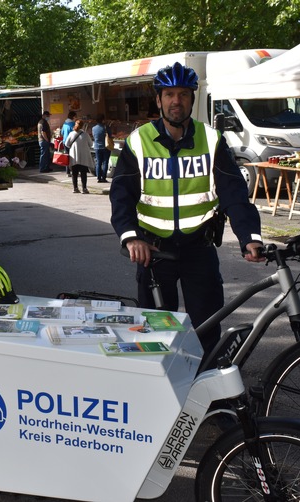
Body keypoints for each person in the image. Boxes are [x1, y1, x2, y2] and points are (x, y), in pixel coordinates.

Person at [109, 62, 265, 359]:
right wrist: (131, 238)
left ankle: (206, 389)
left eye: (183, 94)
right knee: (155, 331)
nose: (176, 101)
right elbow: (121, 196)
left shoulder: (211, 140)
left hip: (199, 248)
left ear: (193, 100)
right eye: (169, 94)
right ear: (158, 100)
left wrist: (250, 237)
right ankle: (160, 390)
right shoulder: (138, 142)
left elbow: (234, 193)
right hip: (153, 251)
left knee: (207, 327)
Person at [65, 119, 94, 194]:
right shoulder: (85, 134)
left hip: (74, 156)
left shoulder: (71, 134)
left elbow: (66, 144)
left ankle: (75, 188)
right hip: (83, 157)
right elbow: (91, 144)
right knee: (83, 173)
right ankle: (84, 188)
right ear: (82, 126)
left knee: (74, 173)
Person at [91, 114, 112, 183]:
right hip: (105, 147)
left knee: (98, 162)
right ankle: (103, 177)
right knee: (105, 162)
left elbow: (94, 136)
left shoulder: (93, 128)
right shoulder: (106, 127)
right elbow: (110, 136)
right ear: (103, 120)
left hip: (97, 147)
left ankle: (98, 177)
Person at [60, 111, 76, 176]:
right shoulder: (72, 124)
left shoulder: (65, 124)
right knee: (73, 157)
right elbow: (75, 133)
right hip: (71, 142)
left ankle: (68, 172)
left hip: (65, 142)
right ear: (73, 117)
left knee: (67, 157)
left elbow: (62, 133)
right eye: (75, 116)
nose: (76, 118)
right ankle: (74, 171)